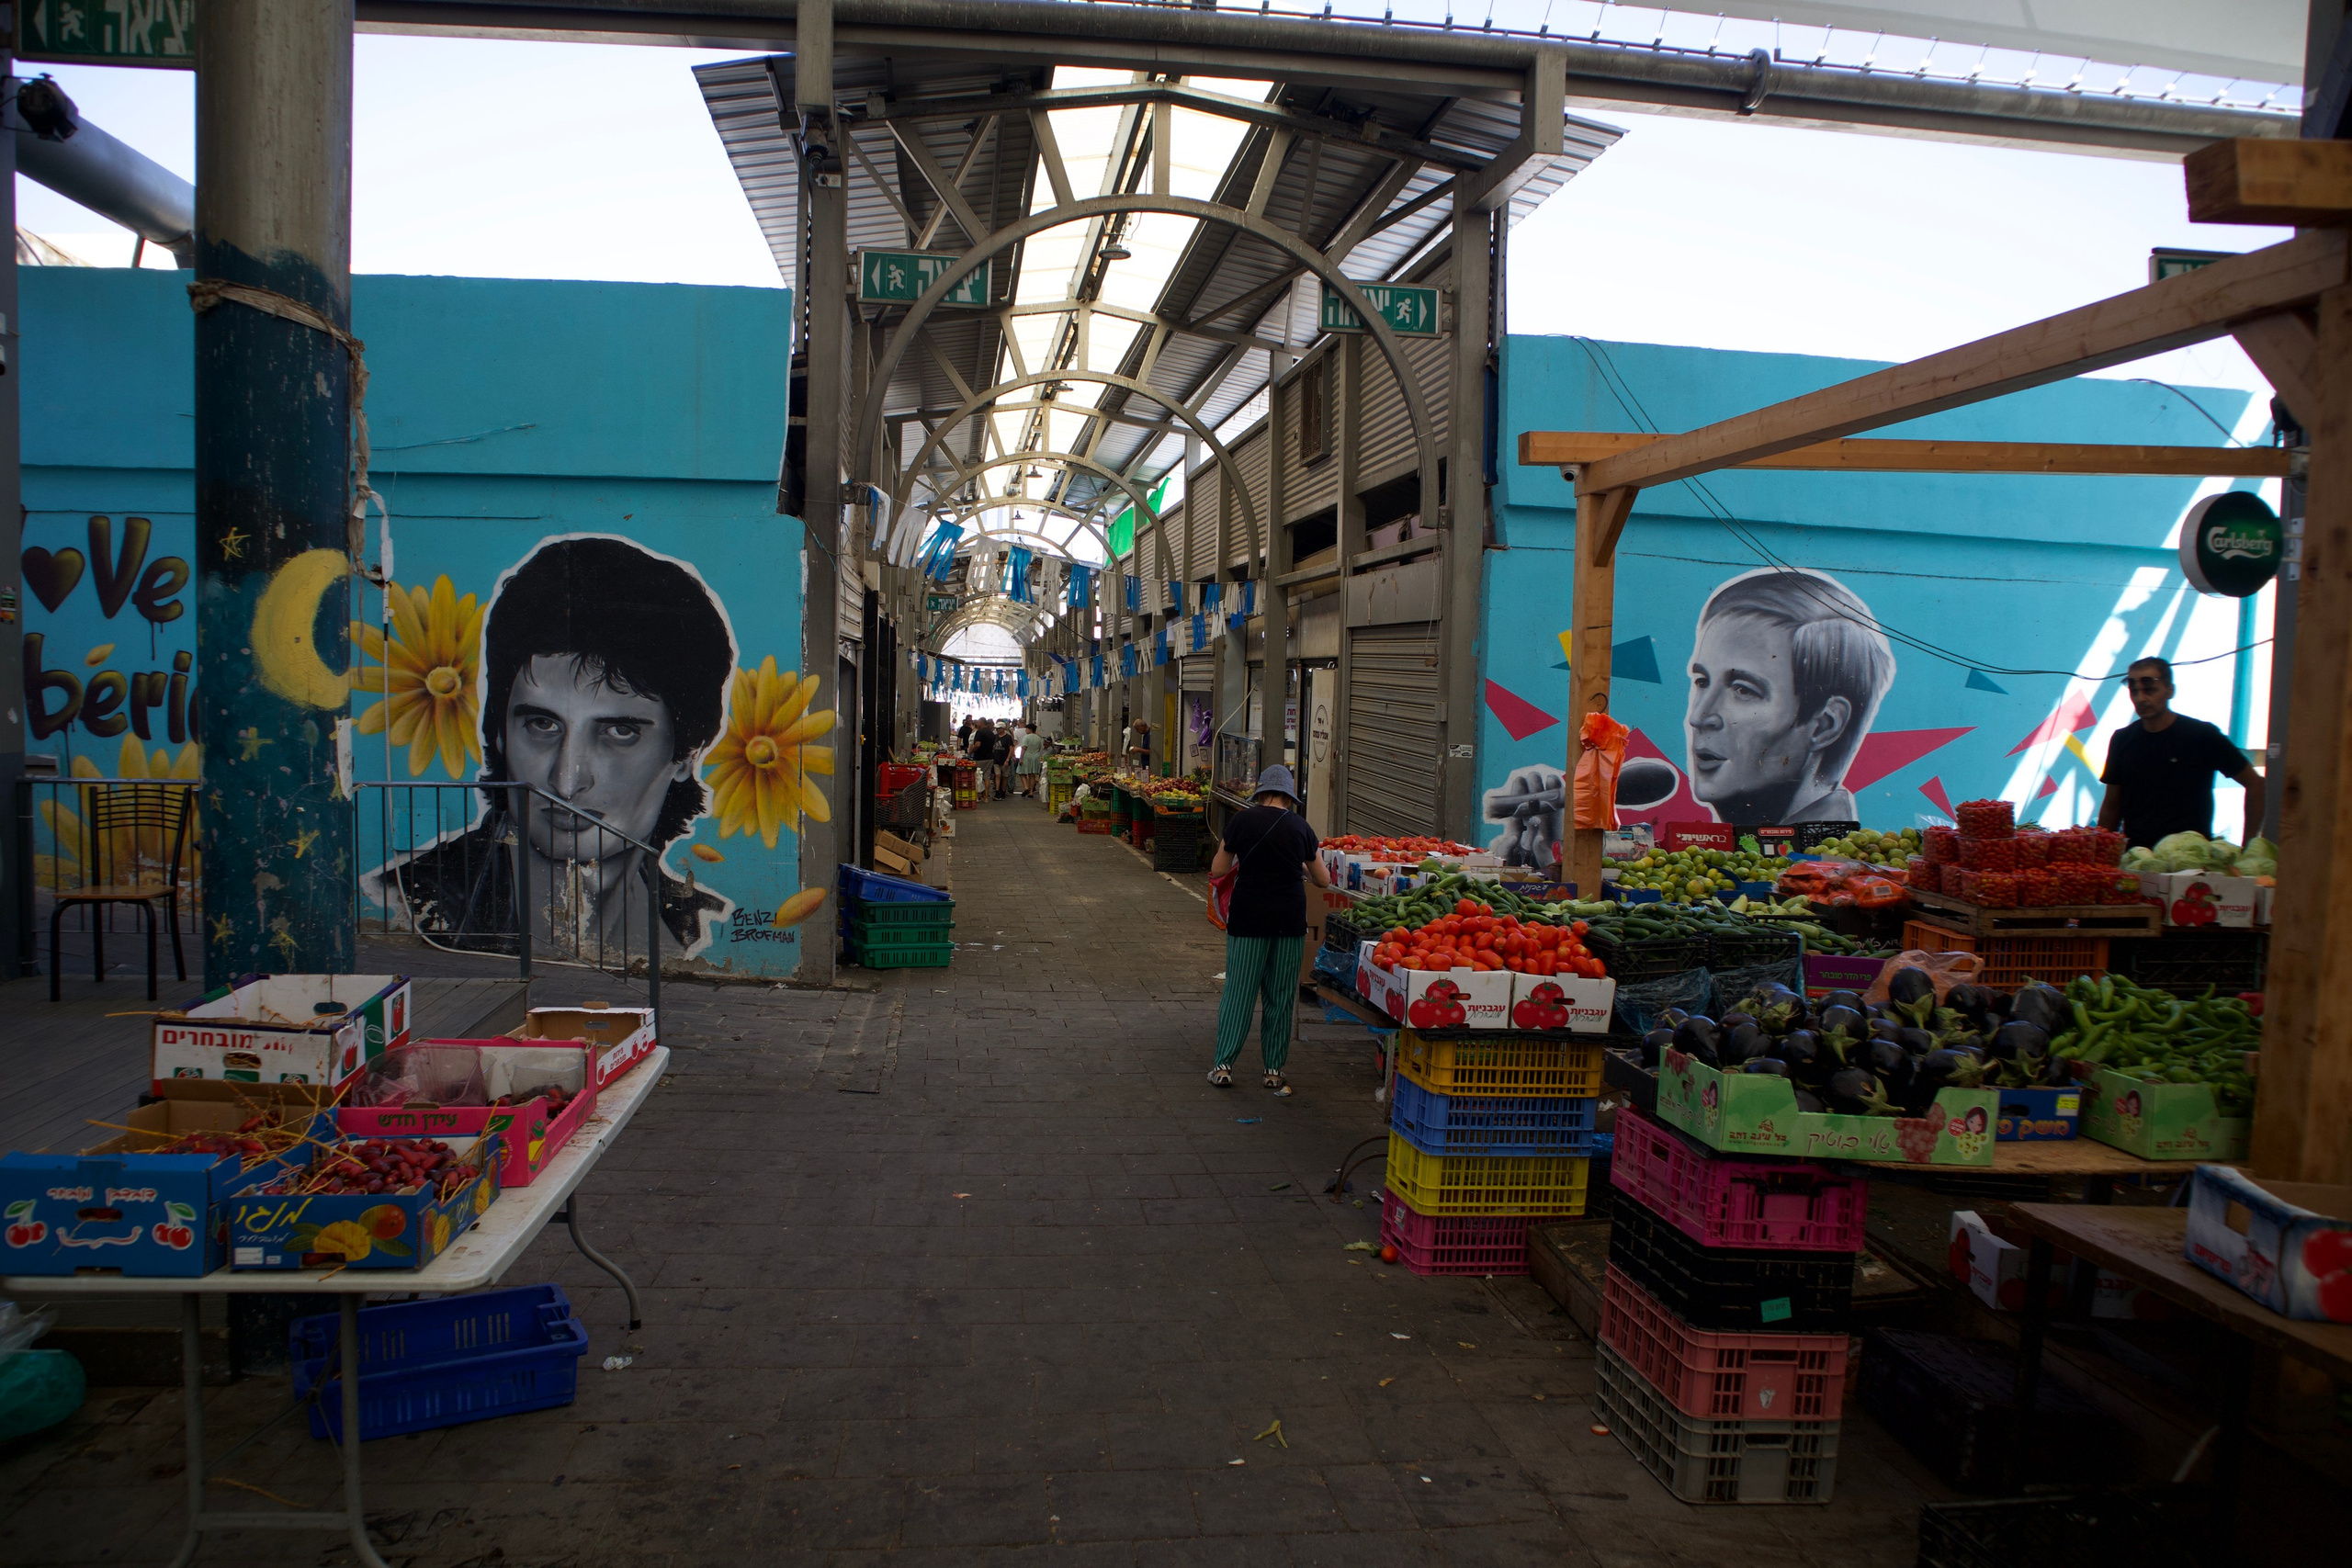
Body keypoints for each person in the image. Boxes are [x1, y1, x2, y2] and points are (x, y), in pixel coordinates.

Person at [372, 535, 735, 955]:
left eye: (620, 732)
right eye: (542, 724)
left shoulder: (697, 921)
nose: (566, 780)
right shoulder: (417, 902)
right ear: (501, 732)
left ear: (686, 755)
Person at [1684, 567, 1895, 825]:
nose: (1699, 717)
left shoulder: (1829, 864)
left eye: (1743, 690)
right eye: (1702, 682)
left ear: (1825, 725)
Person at [1207, 765, 1329, 1094]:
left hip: (1248, 918)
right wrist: (1298, 865)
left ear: (1260, 793)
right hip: (1289, 920)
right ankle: (1273, 1071)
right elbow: (1323, 880)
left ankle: (1223, 1067)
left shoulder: (1241, 822)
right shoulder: (1301, 828)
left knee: (1239, 993)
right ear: (1288, 797)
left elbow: (1218, 868)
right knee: (1281, 996)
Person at [2098, 656, 2260, 847]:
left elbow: (2256, 784)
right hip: (2136, 861)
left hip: (2190, 864)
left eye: (2149, 689)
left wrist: (2248, 847)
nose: (2141, 698)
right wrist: (2100, 856)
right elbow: (2111, 806)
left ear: (2170, 690)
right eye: (2134, 691)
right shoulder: (2122, 739)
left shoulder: (2202, 735)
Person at [1016, 721, 1046, 797]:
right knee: (1032, 775)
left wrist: (1021, 758)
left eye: (1027, 729)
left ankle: (1026, 787)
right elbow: (1040, 748)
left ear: (1030, 729)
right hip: (1036, 756)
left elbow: (1024, 748)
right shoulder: (1039, 738)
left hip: (1027, 755)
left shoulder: (1026, 737)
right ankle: (1031, 792)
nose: (1026, 730)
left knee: (1022, 772)